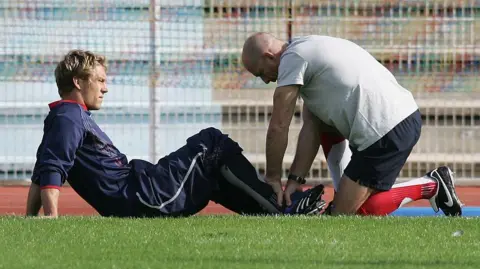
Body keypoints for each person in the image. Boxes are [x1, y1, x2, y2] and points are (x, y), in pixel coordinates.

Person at [25, 49, 327, 218]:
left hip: (140, 188)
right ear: (78, 82)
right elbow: (52, 170)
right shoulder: (68, 115)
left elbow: (42, 171)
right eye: (100, 80)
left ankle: (278, 213)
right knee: (212, 144)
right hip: (140, 196)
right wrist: (50, 219)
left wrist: (30, 219)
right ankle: (283, 210)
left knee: (212, 173)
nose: (105, 87)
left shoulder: (66, 116)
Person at [241, 32, 463, 216]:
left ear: (269, 56)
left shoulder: (293, 59)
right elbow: (312, 128)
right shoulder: (307, 48)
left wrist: (271, 178)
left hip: (387, 131)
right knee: (320, 123)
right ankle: (344, 191)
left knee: (350, 215)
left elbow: (279, 126)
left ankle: (432, 184)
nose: (266, 80)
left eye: (261, 73)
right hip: (396, 120)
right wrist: (294, 181)